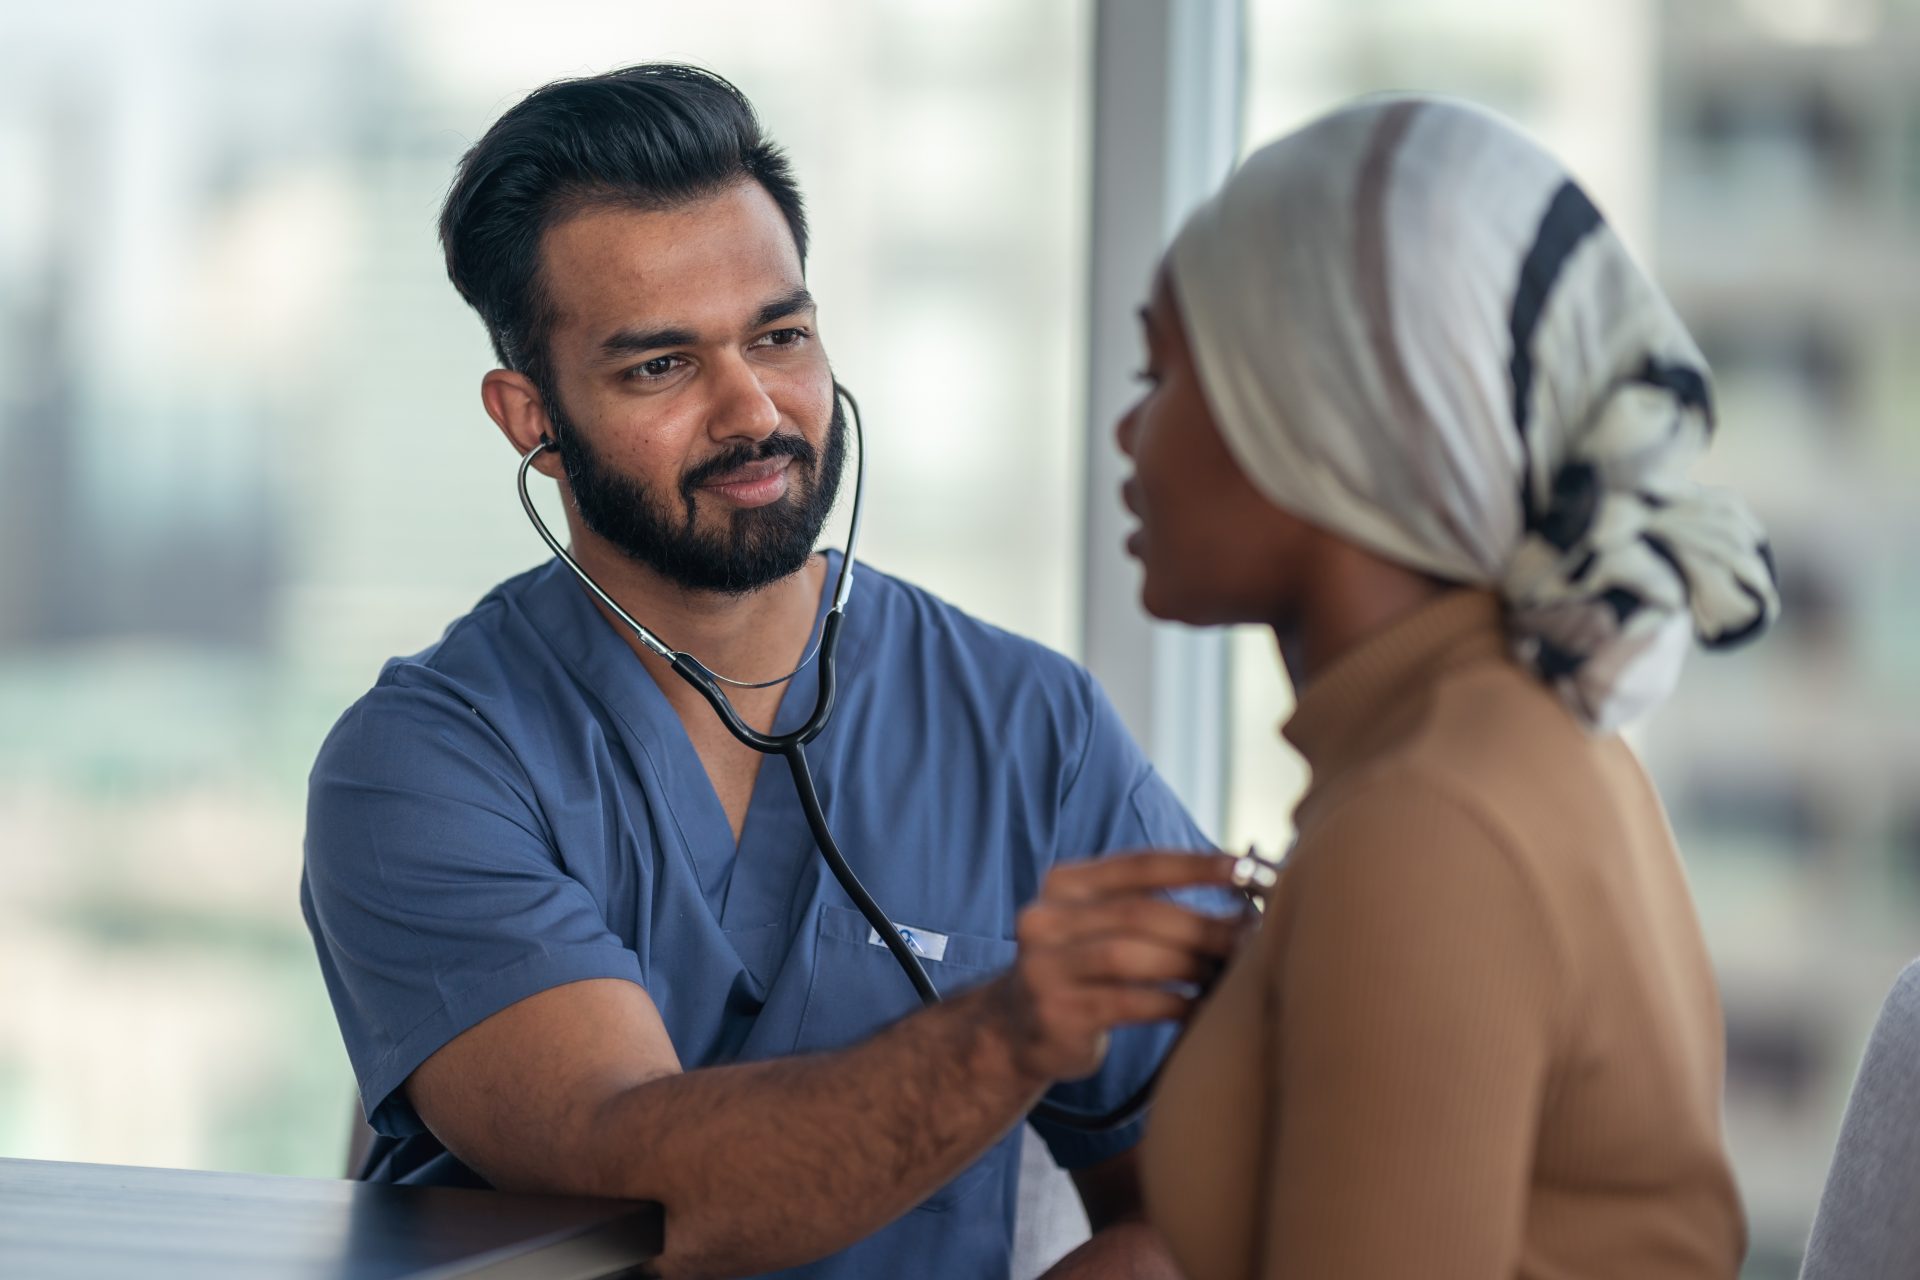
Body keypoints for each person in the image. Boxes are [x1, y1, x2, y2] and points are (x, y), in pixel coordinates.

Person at [300, 64, 1236, 1280]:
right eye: (660, 366)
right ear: (529, 416)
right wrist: (1007, 1029)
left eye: (780, 335)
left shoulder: (1027, 727)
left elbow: (1212, 1199)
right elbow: (650, 1192)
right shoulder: (423, 764)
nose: (754, 412)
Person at [1122, 96, 1779, 1278]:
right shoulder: (1501, 739)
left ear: (1314, 414)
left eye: (1161, 369)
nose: (1128, 430)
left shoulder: (1428, 822)